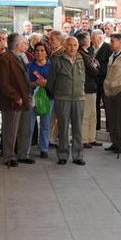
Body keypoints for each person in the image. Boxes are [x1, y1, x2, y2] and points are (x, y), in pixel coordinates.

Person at [46, 37, 87, 165]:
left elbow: (83, 77)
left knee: (78, 128)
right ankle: (63, 154)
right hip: (62, 98)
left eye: (75, 45)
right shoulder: (57, 61)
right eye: (69, 45)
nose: (72, 48)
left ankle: (78, 155)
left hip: (79, 98)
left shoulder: (81, 59)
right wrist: (56, 94)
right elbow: (50, 81)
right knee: (63, 128)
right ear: (64, 45)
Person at [0, 33, 34, 167]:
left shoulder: (20, 57)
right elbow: (3, 82)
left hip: (24, 99)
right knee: (10, 130)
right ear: (17, 45)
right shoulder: (5, 58)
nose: (26, 45)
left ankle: (23, 154)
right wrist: (15, 97)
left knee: (24, 128)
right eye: (24, 43)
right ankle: (9, 157)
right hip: (12, 101)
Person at [104, 33, 121, 153]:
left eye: (113, 41)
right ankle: (114, 142)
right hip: (109, 91)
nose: (111, 44)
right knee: (112, 119)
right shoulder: (112, 55)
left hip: (120, 91)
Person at [29, 42, 52, 158]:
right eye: (37, 50)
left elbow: (56, 82)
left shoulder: (51, 66)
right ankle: (26, 149)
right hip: (32, 98)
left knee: (45, 124)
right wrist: (34, 83)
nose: (39, 53)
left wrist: (47, 83)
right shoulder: (29, 66)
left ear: (46, 52)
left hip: (48, 98)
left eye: (42, 50)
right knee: (30, 124)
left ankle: (44, 148)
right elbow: (24, 83)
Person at [76, 32, 100, 148]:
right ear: (84, 41)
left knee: (92, 115)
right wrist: (95, 66)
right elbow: (93, 70)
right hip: (86, 88)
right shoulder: (81, 54)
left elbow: (96, 65)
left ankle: (91, 137)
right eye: (88, 38)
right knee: (86, 115)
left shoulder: (87, 53)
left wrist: (95, 65)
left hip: (91, 87)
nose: (90, 40)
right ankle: (84, 139)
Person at [93, 29, 110, 131]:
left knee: (107, 104)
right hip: (94, 81)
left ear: (99, 38)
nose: (92, 41)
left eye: (93, 39)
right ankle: (96, 125)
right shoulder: (92, 48)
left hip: (104, 80)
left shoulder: (108, 48)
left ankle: (109, 126)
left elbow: (109, 64)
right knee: (95, 104)